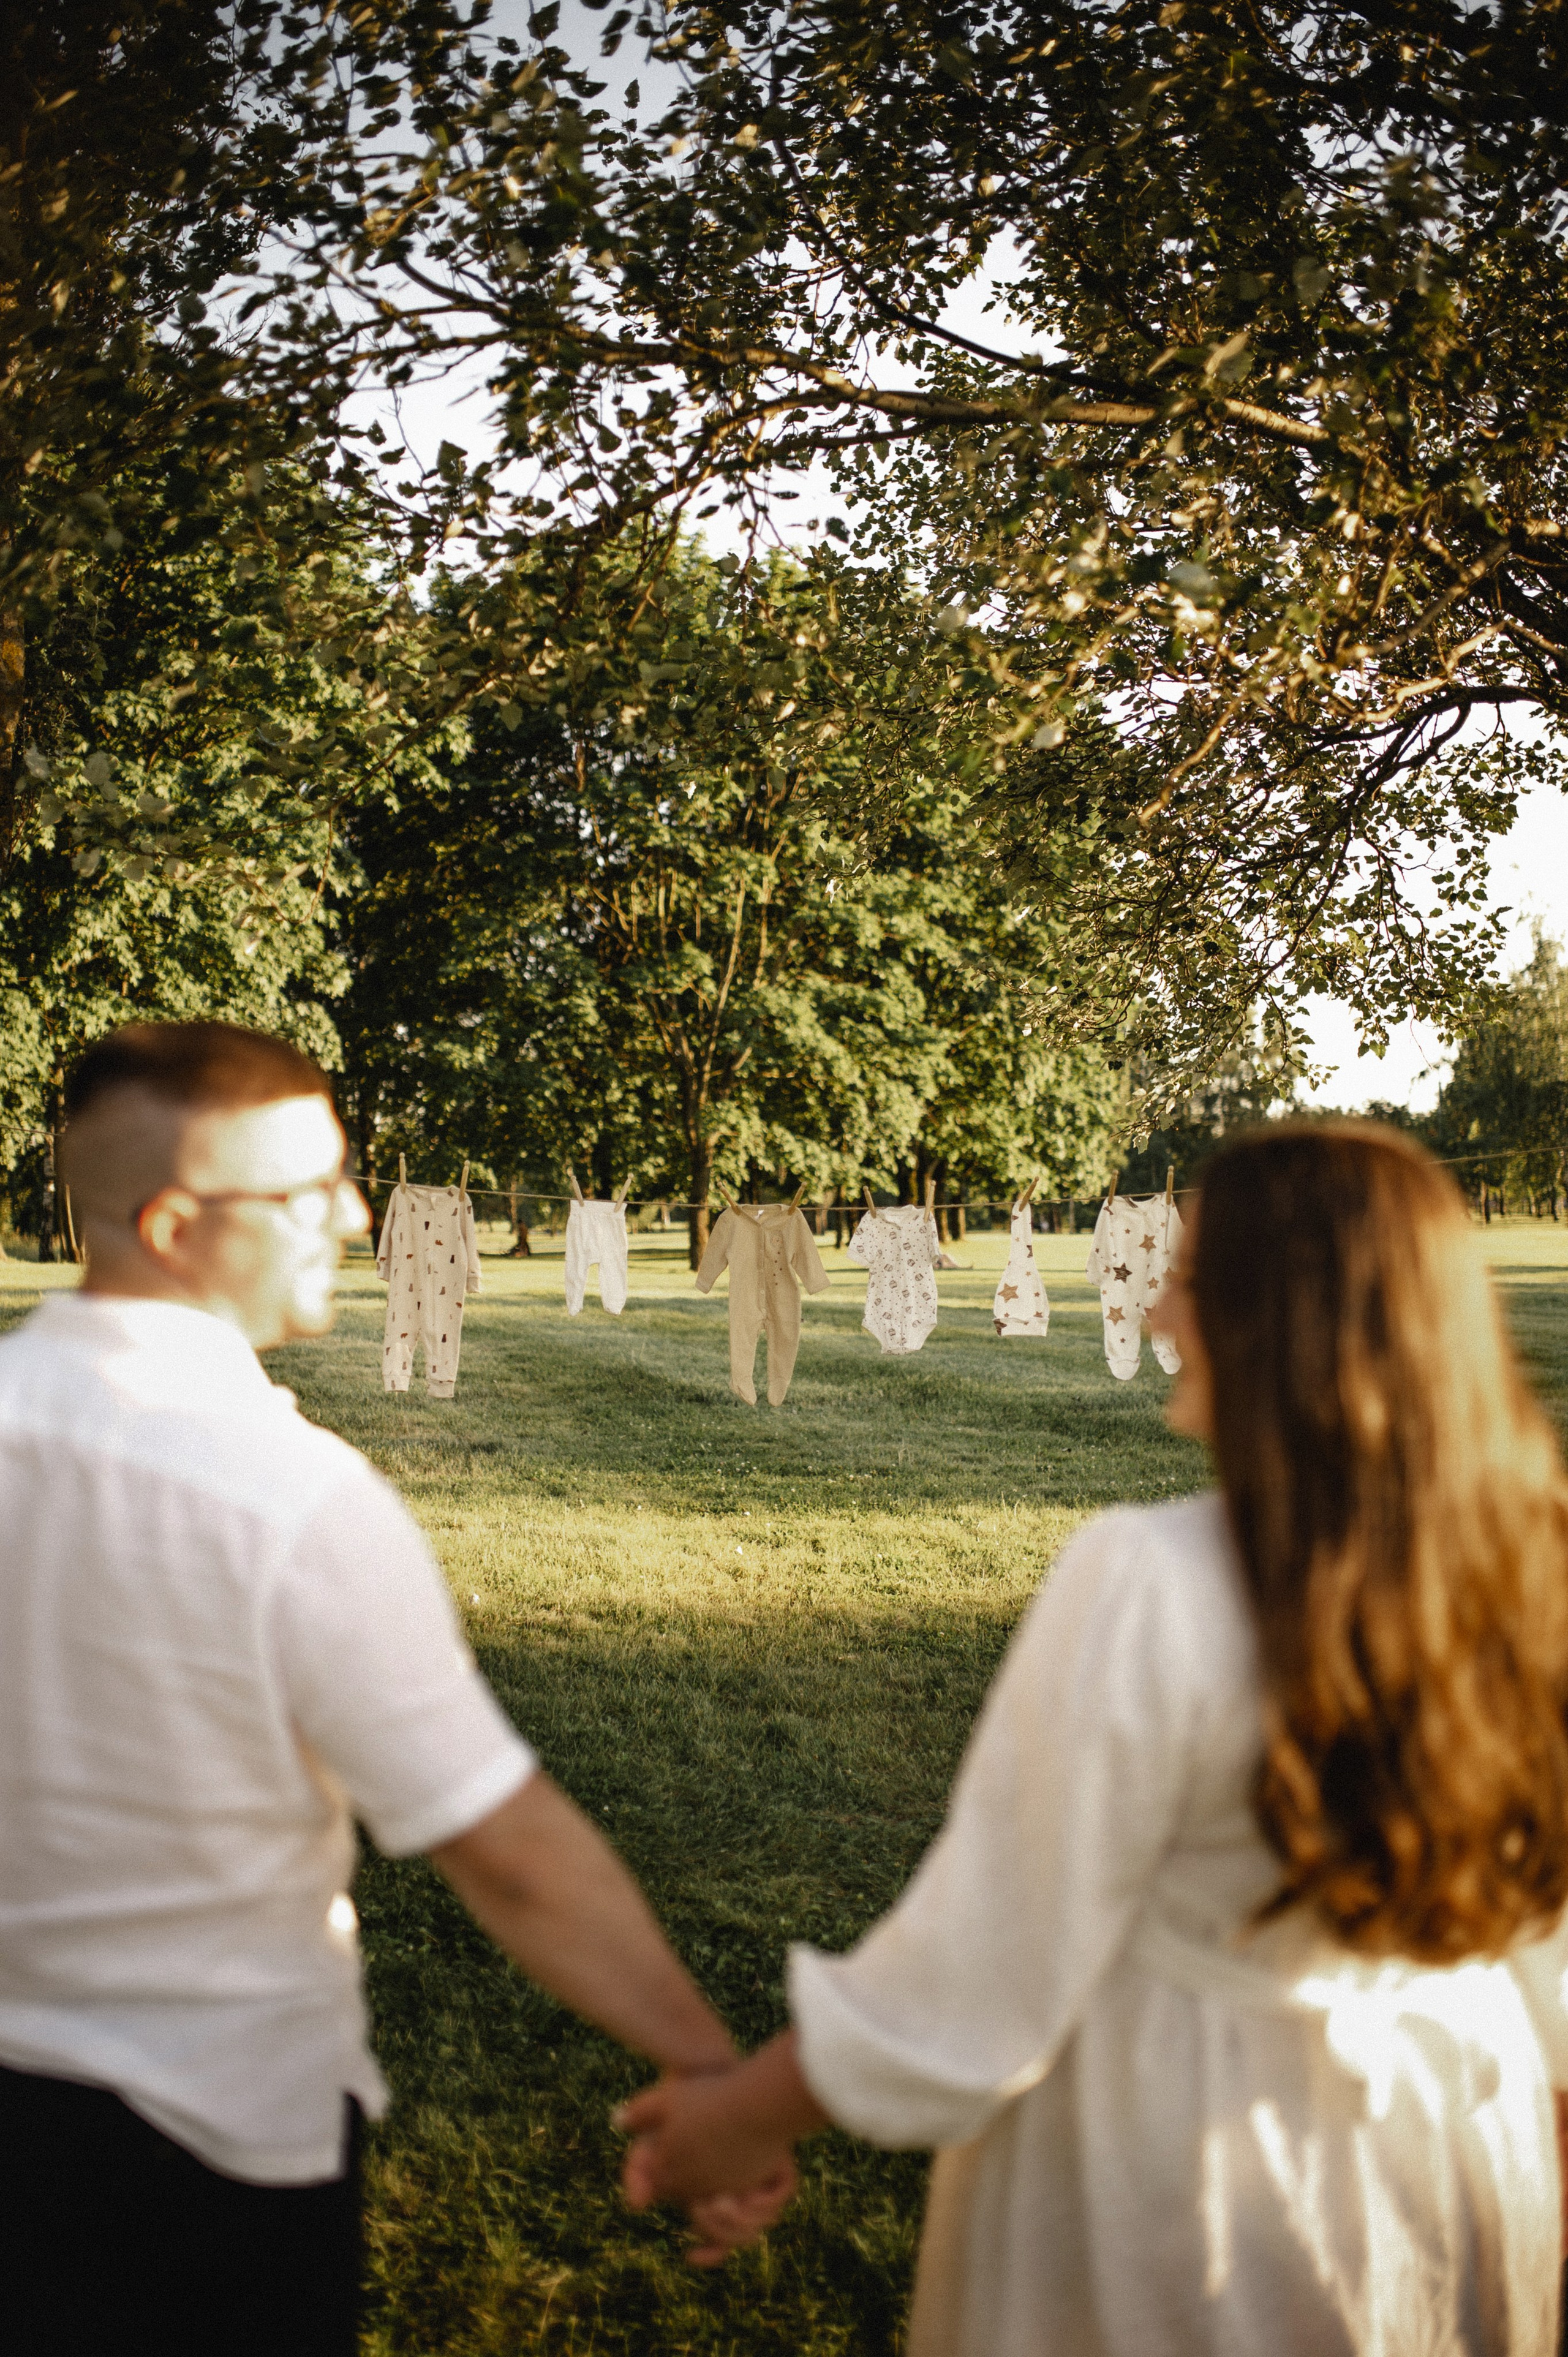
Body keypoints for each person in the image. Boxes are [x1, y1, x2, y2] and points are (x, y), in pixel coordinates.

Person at [620, 1122, 1568, 2354]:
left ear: (1279, 1317)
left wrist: (736, 2119)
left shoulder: (1150, 1581)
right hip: (1462, 2154)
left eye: (1191, 1279)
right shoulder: (1537, 1569)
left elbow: (989, 1961)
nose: (1157, 1310)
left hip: (1203, 2181)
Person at [0, 1021, 781, 2356]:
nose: (355, 1217)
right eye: (307, 1193)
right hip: (207, 2141)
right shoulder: (288, 1497)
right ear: (176, 1225)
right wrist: (715, 2072)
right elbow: (506, 1850)